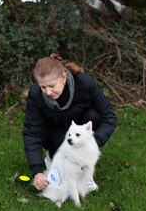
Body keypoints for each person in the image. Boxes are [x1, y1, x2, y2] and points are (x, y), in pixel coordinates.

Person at [23, 53, 117, 191]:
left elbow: (109, 116)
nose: (48, 92)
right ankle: (53, 158)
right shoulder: (36, 94)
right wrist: (37, 171)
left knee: (94, 116)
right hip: (52, 132)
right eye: (43, 87)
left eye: (51, 85)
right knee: (59, 138)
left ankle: (82, 168)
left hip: (77, 132)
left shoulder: (84, 83)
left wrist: (92, 143)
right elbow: (32, 131)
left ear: (64, 78)